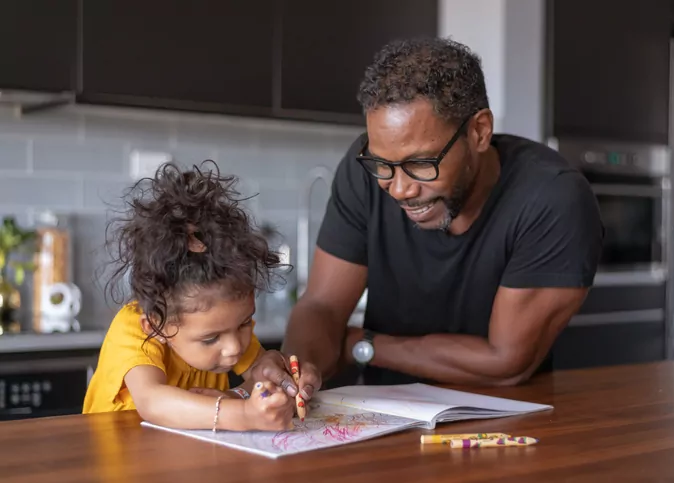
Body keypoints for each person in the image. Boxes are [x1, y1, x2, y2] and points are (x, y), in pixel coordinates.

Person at [282, 37, 604, 392]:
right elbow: (322, 306)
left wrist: (364, 345)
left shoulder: (553, 198)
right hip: (384, 418)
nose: (400, 188)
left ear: (479, 132)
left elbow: (506, 363)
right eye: (382, 164)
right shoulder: (364, 175)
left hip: (507, 430)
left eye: (421, 163)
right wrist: (295, 373)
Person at [83, 161, 314, 432]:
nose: (235, 348)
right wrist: (243, 415)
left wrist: (280, 380)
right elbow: (152, 401)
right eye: (210, 338)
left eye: (243, 324)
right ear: (156, 325)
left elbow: (258, 376)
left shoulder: (223, 326)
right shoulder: (134, 331)